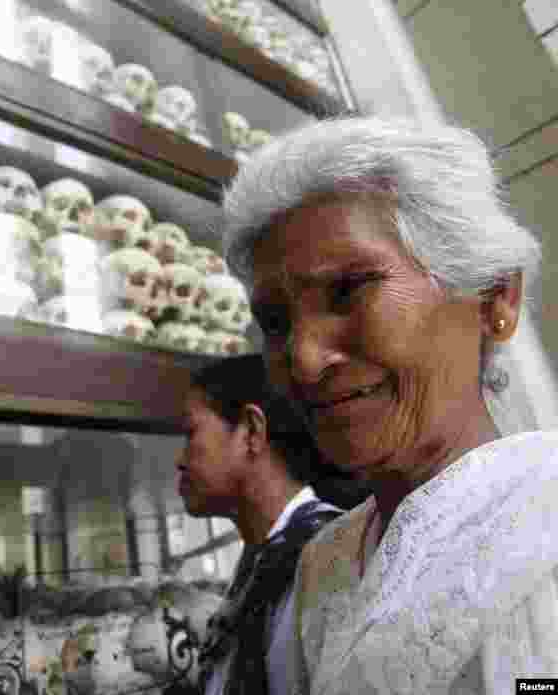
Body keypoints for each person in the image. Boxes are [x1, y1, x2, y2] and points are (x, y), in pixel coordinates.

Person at [220, 116, 558, 693]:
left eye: (349, 291)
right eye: (274, 324)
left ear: (494, 295)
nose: (303, 360)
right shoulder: (322, 567)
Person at [178, 353, 355, 695]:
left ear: (251, 432)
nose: (179, 460)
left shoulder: (323, 561)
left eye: (191, 433)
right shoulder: (264, 556)